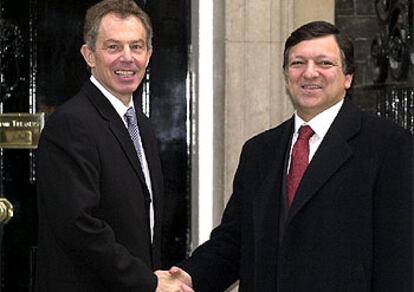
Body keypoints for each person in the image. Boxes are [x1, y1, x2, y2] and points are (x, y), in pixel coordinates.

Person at [164, 21, 413, 291]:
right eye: (297, 63)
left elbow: (399, 254)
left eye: (324, 63)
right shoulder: (259, 151)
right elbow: (235, 240)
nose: (309, 73)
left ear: (348, 77)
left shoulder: (388, 144)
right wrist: (187, 276)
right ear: (286, 75)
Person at [35, 0, 192, 291]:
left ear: (149, 54)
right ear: (89, 55)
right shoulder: (71, 124)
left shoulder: (141, 126)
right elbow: (78, 227)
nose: (127, 58)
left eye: (137, 46)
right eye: (113, 47)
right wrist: (148, 282)